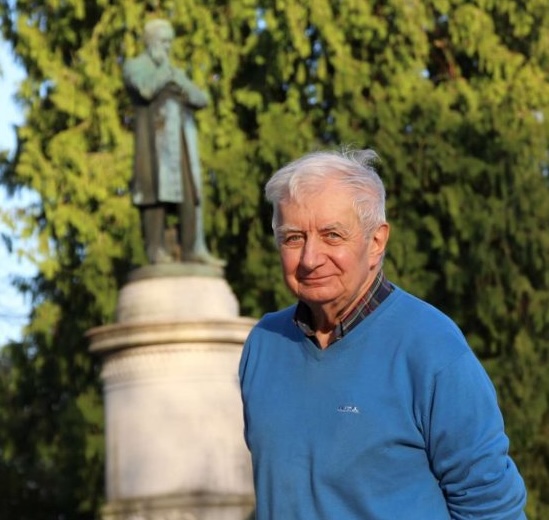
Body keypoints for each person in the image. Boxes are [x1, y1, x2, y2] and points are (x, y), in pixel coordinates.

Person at [239, 148, 527, 519]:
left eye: (332, 235)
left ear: (376, 241)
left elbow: (492, 508)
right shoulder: (264, 344)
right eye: (293, 238)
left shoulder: (432, 348)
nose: (310, 259)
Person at [123, 19, 222, 266]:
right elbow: (145, 89)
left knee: (189, 194)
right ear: (150, 41)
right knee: (153, 194)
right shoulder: (135, 66)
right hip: (151, 143)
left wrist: (179, 85)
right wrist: (166, 74)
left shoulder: (173, 71)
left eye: (169, 42)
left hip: (180, 143)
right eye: (163, 41)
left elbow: (201, 99)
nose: (167, 46)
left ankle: (192, 249)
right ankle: (155, 249)